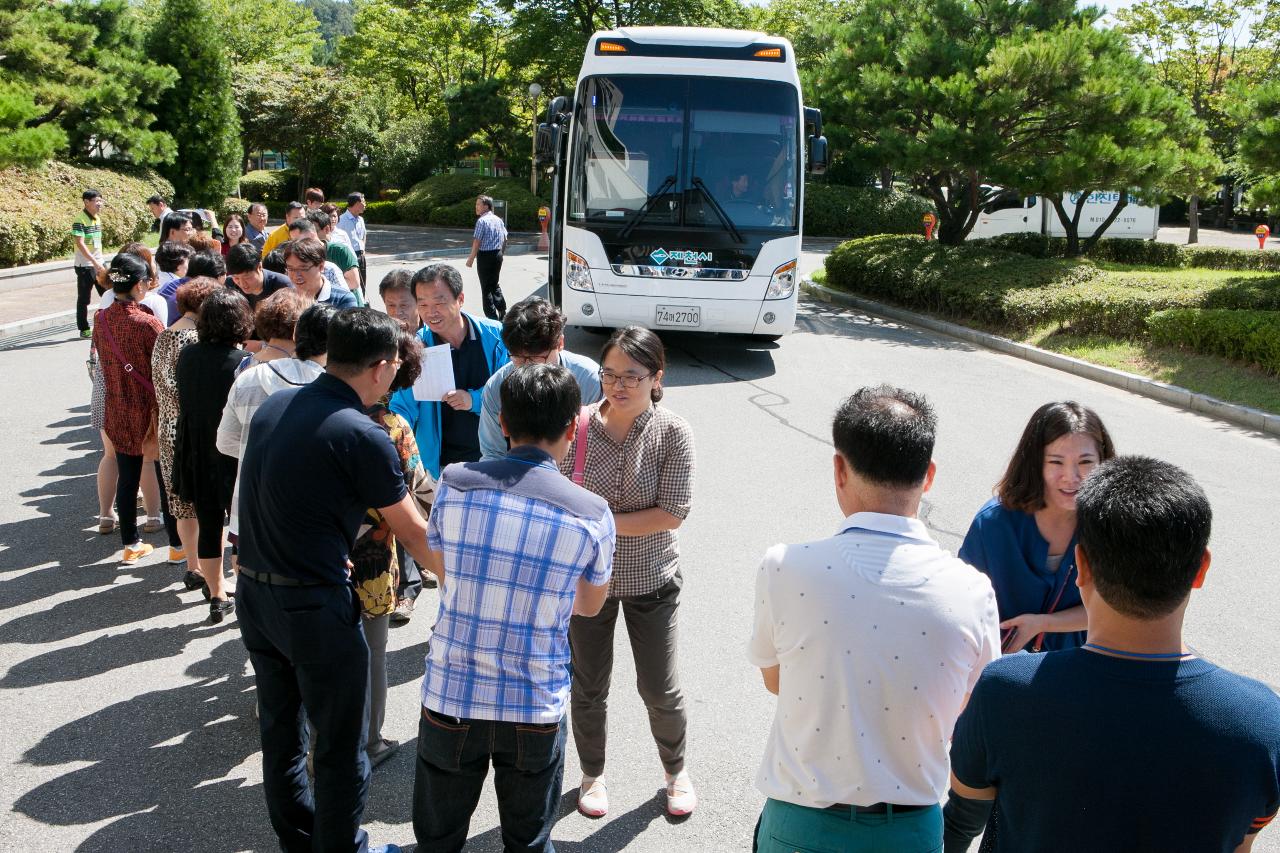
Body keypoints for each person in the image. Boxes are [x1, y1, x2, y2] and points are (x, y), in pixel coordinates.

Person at [948, 456, 1280, 853]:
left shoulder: (1006, 692)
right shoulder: (1262, 724)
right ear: (1201, 569)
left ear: (1081, 565)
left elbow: (966, 805)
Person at [747, 385, 1000, 853]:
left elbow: (776, 679)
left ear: (839, 468)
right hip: (910, 831)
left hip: (800, 824)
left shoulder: (785, 566)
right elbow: (962, 705)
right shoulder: (972, 591)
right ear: (928, 476)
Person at [236, 308, 436, 853]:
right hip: (314, 608)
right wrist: (466, 588)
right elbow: (415, 532)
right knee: (340, 747)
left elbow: (282, 496)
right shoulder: (362, 433)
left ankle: (302, 842)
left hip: (255, 595)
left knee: (281, 734)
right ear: (381, 366)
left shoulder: (277, 405)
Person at [414, 363, 615, 852]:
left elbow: (443, 566)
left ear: (501, 422)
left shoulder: (456, 482)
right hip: (533, 702)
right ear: (573, 427)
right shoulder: (590, 512)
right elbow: (589, 607)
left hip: (451, 693)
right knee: (527, 841)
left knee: (437, 840)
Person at [559, 326, 697, 818]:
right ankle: (592, 774)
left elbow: (672, 512)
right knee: (588, 686)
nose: (618, 386)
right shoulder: (575, 427)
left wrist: (600, 523)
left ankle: (675, 772)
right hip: (586, 584)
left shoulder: (673, 432)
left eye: (632, 377)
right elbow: (557, 494)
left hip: (652, 580)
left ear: (656, 378)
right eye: (610, 374)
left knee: (659, 687)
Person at [959, 402, 1115, 655]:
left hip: (1078, 667)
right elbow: (962, 602)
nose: (1071, 476)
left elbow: (1115, 609)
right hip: (999, 667)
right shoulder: (993, 524)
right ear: (1034, 463)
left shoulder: (1112, 524)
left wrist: (1043, 624)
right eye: (1056, 462)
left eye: (1086, 462)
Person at [350, 330, 433, 768]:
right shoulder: (393, 429)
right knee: (372, 656)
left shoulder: (329, 413)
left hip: (322, 558)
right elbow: (420, 493)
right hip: (376, 562)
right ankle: (370, 741)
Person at [218, 303, 334, 575]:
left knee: (246, 565)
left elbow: (224, 441)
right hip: (312, 507)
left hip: (252, 496)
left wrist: (256, 453)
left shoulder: (249, 378)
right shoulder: (332, 387)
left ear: (296, 334)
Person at [173, 289, 252, 623]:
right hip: (232, 451)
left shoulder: (187, 355)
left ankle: (216, 594)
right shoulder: (242, 363)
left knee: (208, 522)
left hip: (195, 448)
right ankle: (246, 590)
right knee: (240, 526)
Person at [389, 263, 508, 480]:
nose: (430, 312)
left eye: (439, 302)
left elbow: (511, 392)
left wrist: (474, 400)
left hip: (493, 460)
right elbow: (402, 406)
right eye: (422, 304)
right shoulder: (417, 347)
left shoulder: (497, 336)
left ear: (460, 299)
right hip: (440, 468)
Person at [92, 253, 167, 564]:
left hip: (116, 406)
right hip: (150, 408)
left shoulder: (101, 319)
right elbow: (164, 367)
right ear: (139, 286)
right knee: (161, 473)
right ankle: (175, 542)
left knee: (127, 473)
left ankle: (130, 542)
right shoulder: (148, 322)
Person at [479, 296, 602, 462]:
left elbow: (600, 444)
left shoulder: (589, 379)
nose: (528, 367)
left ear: (560, 343)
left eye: (536, 358)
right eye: (518, 359)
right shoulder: (497, 386)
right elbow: (493, 454)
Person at [154, 278, 220, 585]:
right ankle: (211, 575)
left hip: (167, 427)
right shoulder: (196, 340)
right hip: (193, 429)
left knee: (181, 502)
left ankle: (191, 566)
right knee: (206, 504)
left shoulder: (165, 335)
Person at [281, 237, 358, 309]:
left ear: (321, 266)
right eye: (291, 269)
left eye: (303, 268)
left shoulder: (343, 299)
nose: (296, 275)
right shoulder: (283, 299)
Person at [465, 195, 507, 320]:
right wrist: (501, 253)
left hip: (485, 256)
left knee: (486, 287)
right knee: (494, 284)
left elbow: (477, 241)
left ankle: (491, 317)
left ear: (486, 206)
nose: (476, 207)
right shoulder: (498, 220)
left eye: (478, 204)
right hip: (497, 254)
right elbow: (505, 238)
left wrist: (471, 258)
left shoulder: (481, 221)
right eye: (476, 204)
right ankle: (502, 309)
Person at [305, 209, 361, 299]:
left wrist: (321, 287)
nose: (307, 237)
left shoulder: (340, 251)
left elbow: (354, 283)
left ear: (327, 229)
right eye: (305, 232)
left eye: (313, 232)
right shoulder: (303, 253)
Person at [73, 189, 107, 338]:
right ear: (86, 202)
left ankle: (109, 324)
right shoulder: (79, 220)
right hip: (85, 265)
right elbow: (80, 244)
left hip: (99, 263)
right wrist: (94, 262)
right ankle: (84, 328)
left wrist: (100, 261)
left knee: (108, 294)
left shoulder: (97, 218)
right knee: (84, 299)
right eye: (96, 201)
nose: (99, 204)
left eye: (101, 200)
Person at [225, 243, 293, 310]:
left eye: (247, 277)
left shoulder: (283, 286)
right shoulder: (230, 285)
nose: (242, 284)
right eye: (236, 278)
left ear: (259, 267)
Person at [338, 193, 368, 295]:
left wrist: (363, 250)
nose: (365, 204)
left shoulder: (361, 219)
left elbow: (363, 235)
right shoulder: (341, 220)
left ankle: (362, 307)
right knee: (352, 286)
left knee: (362, 284)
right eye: (363, 201)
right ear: (356, 203)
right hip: (349, 256)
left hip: (360, 255)